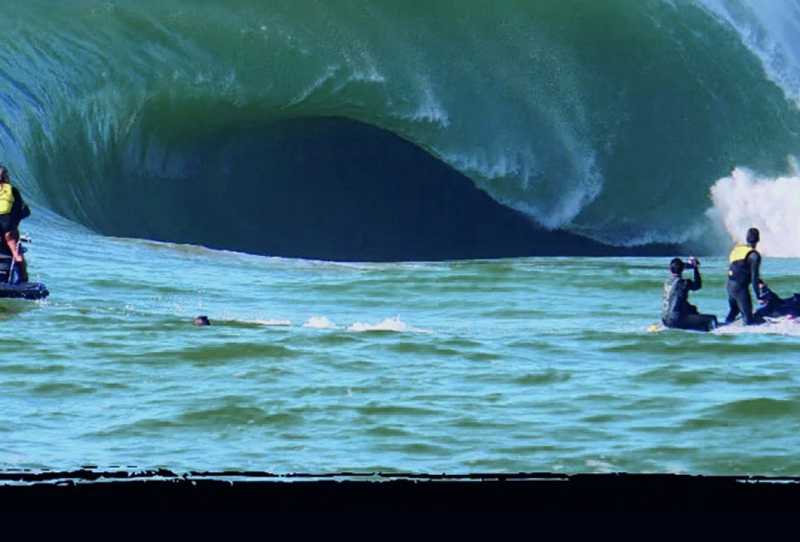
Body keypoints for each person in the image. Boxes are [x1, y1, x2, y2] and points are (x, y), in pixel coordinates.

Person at [661, 256, 718, 332]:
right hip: (677, 320)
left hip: (665, 320)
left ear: (670, 270)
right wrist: (695, 268)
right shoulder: (684, 283)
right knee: (712, 318)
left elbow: (675, 301)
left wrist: (690, 265)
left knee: (692, 309)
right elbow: (698, 285)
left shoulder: (667, 283)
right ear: (682, 270)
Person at [724, 227, 764, 325]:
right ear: (758, 239)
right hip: (739, 288)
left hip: (729, 285)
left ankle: (725, 326)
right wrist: (759, 296)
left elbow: (738, 268)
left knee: (734, 310)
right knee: (749, 320)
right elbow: (753, 278)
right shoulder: (754, 256)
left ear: (746, 238)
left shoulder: (737, 249)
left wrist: (759, 281)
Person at [0, 165, 30, 282]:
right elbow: (25, 211)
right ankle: (24, 279)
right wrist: (14, 223)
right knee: (16, 252)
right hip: (8, 225)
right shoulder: (12, 190)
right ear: (6, 177)